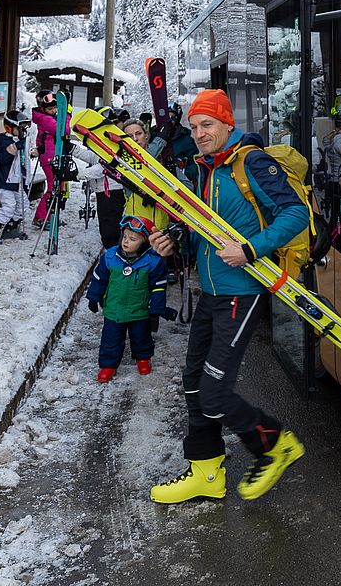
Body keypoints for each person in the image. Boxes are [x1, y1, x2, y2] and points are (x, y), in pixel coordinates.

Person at [148, 88, 309, 504]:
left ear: (226, 124)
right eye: (195, 127)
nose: (200, 133)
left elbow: (295, 214)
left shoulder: (251, 162)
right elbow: (206, 227)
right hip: (212, 290)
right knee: (191, 383)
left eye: (207, 125)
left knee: (214, 392)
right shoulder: (206, 168)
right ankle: (206, 474)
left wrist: (252, 249)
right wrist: (174, 240)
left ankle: (275, 446)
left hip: (243, 290)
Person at [85, 215, 166, 382]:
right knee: (110, 339)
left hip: (139, 310)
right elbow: (99, 279)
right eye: (125, 236)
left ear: (144, 241)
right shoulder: (110, 257)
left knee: (142, 338)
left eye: (133, 239)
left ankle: (143, 359)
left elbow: (158, 287)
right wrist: (94, 297)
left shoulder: (152, 262)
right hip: (114, 310)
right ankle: (108, 365)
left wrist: (156, 309)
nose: (126, 241)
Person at [73, 107, 129, 248]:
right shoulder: (102, 141)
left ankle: (114, 255)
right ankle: (111, 252)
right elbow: (95, 158)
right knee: (105, 225)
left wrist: (76, 174)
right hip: (103, 190)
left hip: (113, 190)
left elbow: (103, 167)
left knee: (111, 227)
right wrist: (72, 149)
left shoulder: (115, 141)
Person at [0, 110, 31, 244]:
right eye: (19, 129)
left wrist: (36, 152)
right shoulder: (3, 140)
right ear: (9, 128)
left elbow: (24, 157)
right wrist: (15, 147)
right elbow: (2, 159)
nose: (22, 132)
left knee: (23, 205)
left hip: (17, 180)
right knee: (9, 206)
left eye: (23, 129)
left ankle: (10, 229)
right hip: (4, 180)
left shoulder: (20, 140)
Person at [121, 118, 170, 233]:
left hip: (161, 231)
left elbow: (187, 186)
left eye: (138, 134)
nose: (135, 139)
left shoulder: (164, 162)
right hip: (133, 230)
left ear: (146, 135)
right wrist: (161, 138)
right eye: (129, 136)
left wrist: (165, 194)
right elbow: (142, 160)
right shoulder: (124, 162)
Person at [31, 91, 64, 228]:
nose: (54, 111)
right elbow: (62, 130)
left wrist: (39, 147)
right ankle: (40, 217)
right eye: (50, 109)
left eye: (55, 108)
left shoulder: (48, 117)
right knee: (53, 188)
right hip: (50, 158)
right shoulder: (45, 119)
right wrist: (66, 116)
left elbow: (41, 138)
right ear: (42, 108)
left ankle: (49, 216)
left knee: (58, 187)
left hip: (53, 155)